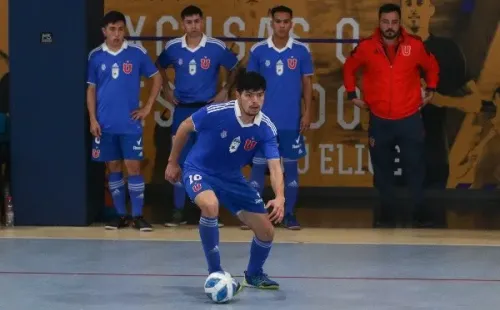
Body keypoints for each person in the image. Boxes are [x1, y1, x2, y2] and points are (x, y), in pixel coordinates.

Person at [165, 70, 284, 289]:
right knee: (210, 205)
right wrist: (173, 162)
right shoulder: (217, 112)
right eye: (249, 95)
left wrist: (280, 197)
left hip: (231, 178)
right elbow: (183, 127)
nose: (255, 101)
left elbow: (275, 166)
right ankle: (215, 273)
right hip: (199, 169)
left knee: (267, 232)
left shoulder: (266, 127)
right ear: (238, 94)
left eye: (259, 95)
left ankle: (254, 274)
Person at [343, 3, 439, 228]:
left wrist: (432, 88)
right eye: (386, 22)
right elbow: (349, 68)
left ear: (399, 22)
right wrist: (351, 94)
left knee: (415, 167)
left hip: (409, 118)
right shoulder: (367, 47)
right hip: (380, 120)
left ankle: (419, 212)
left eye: (394, 22)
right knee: (382, 170)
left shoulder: (414, 46)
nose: (390, 27)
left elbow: (432, 65)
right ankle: (386, 213)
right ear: (379, 22)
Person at [156, 5, 239, 227]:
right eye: (189, 22)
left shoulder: (215, 47)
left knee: (210, 161)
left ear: (202, 22)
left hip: (208, 111)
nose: (193, 25)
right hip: (182, 109)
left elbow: (235, 67)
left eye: (197, 21)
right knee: (179, 161)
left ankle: (211, 212)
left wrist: (224, 90)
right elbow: (158, 65)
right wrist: (166, 88)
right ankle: (178, 211)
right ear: (183, 24)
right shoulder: (173, 47)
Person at [87, 11, 162, 231]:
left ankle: (137, 216)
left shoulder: (136, 53)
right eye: (112, 29)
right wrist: (93, 119)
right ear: (104, 31)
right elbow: (91, 89)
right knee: (113, 168)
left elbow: (156, 77)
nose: (117, 34)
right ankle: (120, 216)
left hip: (130, 124)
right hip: (105, 124)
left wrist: (147, 107)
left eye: (120, 29)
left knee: (133, 167)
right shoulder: (95, 56)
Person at [246, 5, 313, 230]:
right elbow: (250, 87)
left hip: (290, 122)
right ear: (271, 23)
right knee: (257, 170)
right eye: (278, 21)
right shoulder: (258, 51)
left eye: (286, 21)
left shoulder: (301, 51)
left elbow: (307, 83)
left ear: (291, 23)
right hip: (261, 123)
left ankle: (289, 214)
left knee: (291, 171)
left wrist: (307, 112)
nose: (282, 25)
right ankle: (254, 215)